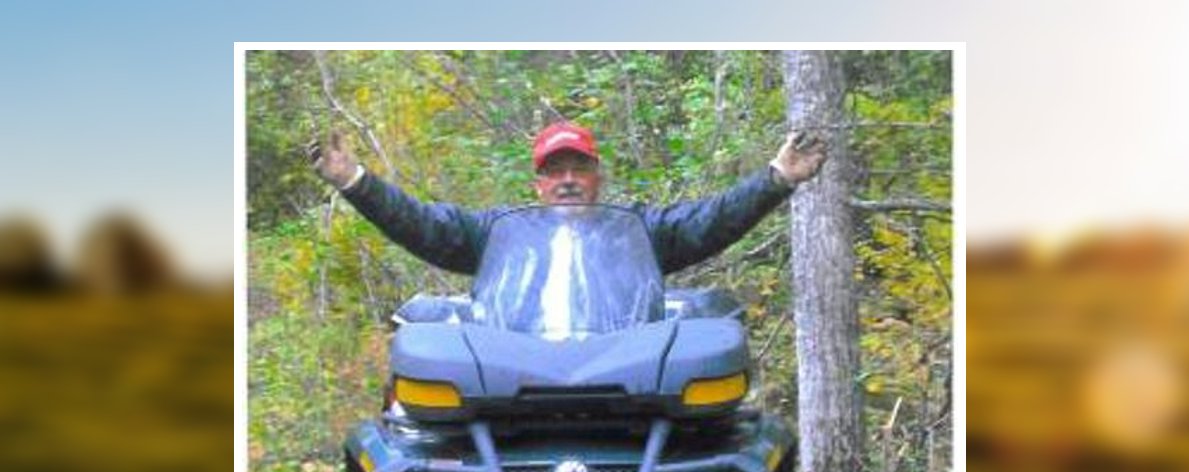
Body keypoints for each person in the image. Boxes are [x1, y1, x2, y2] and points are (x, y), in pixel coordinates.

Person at [309, 121, 826, 276]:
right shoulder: (495, 236)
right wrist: (355, 179)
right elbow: (422, 224)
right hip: (516, 386)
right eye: (555, 171)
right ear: (538, 184)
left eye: (579, 168)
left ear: (597, 177)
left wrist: (777, 177)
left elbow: (710, 221)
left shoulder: (639, 233)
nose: (568, 180)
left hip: (628, 386)